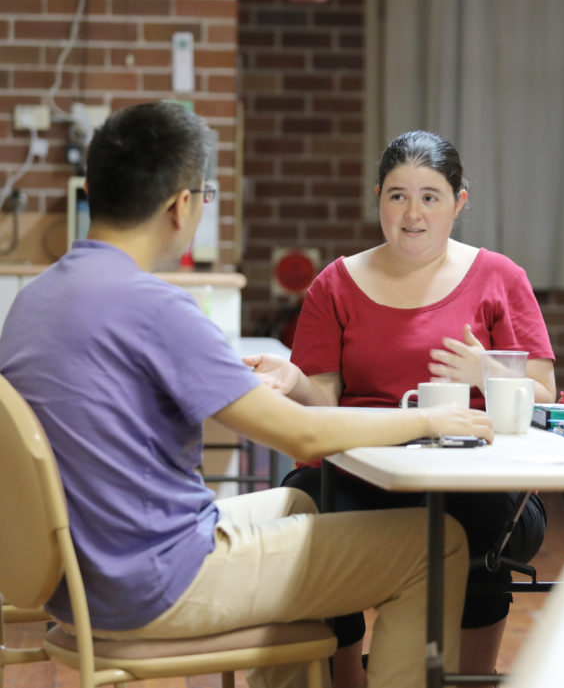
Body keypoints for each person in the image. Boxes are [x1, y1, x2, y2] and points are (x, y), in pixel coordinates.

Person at [0, 102, 496, 688]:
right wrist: (428, 422)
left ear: (93, 189)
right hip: (156, 583)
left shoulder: (35, 298)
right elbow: (300, 433)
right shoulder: (153, 306)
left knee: (301, 505)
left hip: (78, 575)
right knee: (436, 545)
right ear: (182, 204)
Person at [244, 130, 556, 686]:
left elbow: (545, 390)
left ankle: (466, 676)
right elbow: (323, 404)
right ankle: (348, 677)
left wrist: (486, 371)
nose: (413, 213)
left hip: (474, 473)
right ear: (378, 199)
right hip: (361, 470)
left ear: (459, 203)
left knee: (479, 523)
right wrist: (293, 378)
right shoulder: (335, 285)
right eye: (397, 196)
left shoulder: (500, 277)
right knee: (318, 509)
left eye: (430, 196)